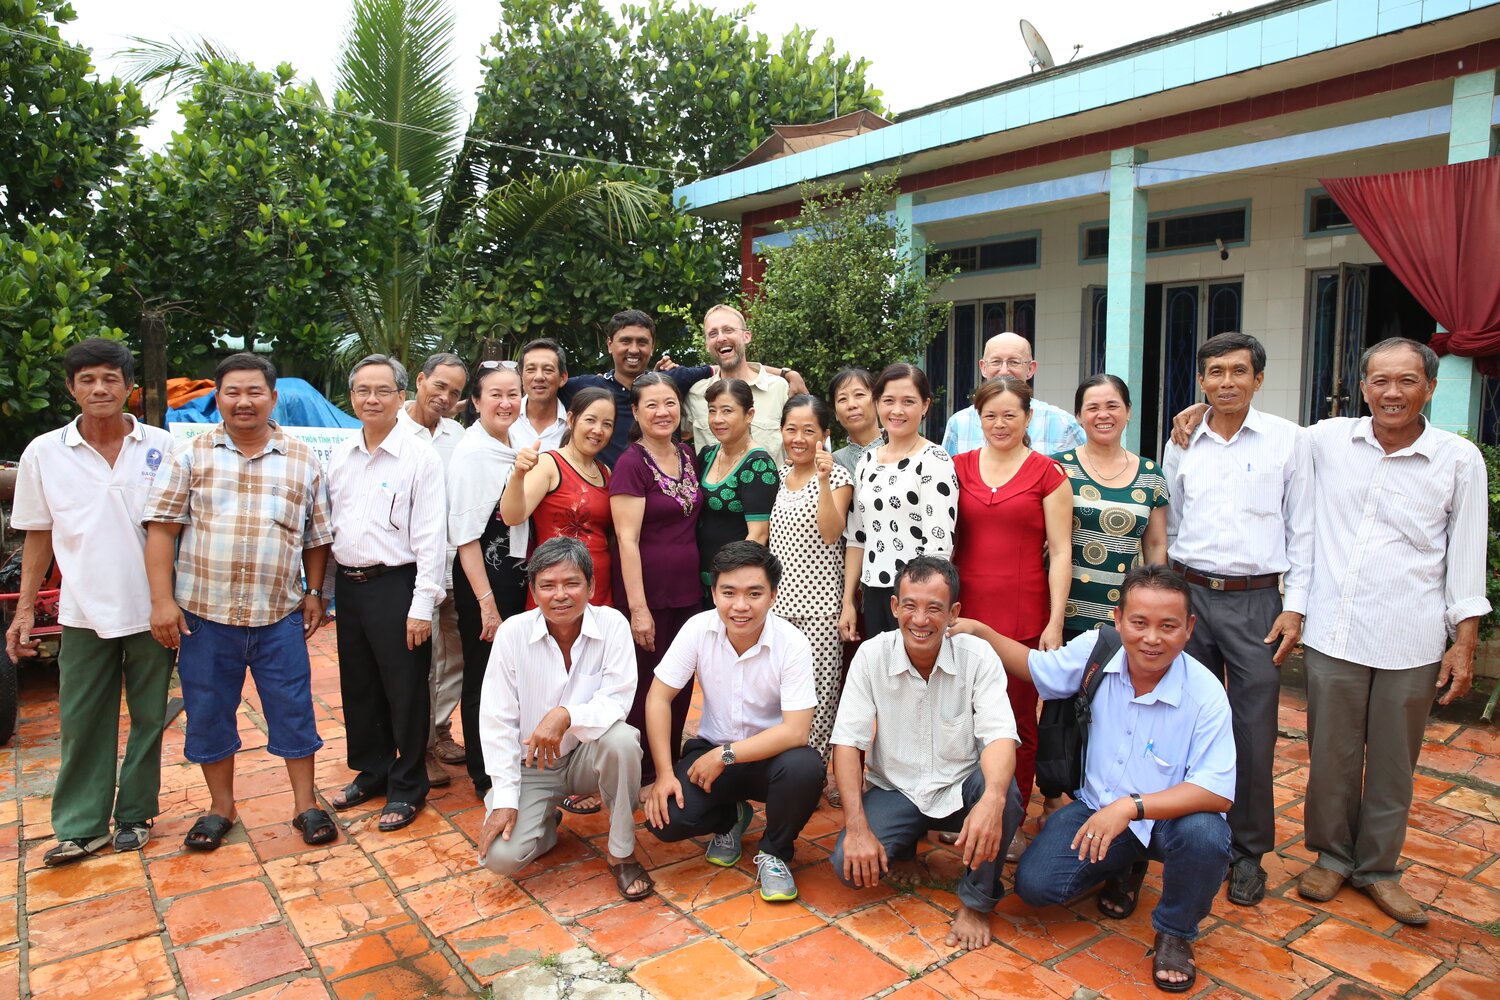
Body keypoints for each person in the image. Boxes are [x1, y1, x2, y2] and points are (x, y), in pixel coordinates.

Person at [961, 565, 1235, 994]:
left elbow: (1216, 791)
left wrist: (1130, 807)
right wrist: (981, 632)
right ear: (1118, 618)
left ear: (1188, 629)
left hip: (1167, 822)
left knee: (1206, 834)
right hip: (1095, 809)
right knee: (1036, 886)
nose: (1151, 638)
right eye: (1139, 623)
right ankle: (1124, 864)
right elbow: (1036, 668)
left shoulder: (1205, 693)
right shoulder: (1098, 652)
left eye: (1168, 626)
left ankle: (1176, 930)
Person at [1296, 338, 1490, 926]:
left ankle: (1377, 868)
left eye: (1407, 381)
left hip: (1412, 636)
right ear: (1363, 387)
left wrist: (1465, 639)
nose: (1392, 393)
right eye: (1380, 381)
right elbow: (1259, 430)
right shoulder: (1328, 440)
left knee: (1392, 763)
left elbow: (1467, 554)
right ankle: (1331, 857)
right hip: (1335, 631)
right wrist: (1201, 411)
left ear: (1429, 387)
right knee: (1330, 756)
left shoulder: (1458, 460)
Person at [142, 352, 336, 851]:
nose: (244, 401)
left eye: (255, 392)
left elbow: (316, 538)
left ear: (273, 398)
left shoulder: (303, 459)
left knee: (294, 709)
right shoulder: (191, 455)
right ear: (218, 399)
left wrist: (314, 593)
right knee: (208, 712)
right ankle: (220, 807)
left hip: (279, 615)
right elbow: (162, 532)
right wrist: (162, 601)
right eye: (233, 392)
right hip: (205, 616)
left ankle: (305, 805)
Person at [8, 339, 176, 865]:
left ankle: (134, 816)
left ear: (130, 387)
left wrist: (172, 601)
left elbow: (177, 530)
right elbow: (36, 535)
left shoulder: (162, 448)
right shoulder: (44, 452)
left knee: (150, 716)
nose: (99, 388)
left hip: (154, 608)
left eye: (110, 378)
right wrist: (24, 610)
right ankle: (82, 825)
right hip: (83, 610)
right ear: (71, 387)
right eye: (87, 380)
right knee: (82, 720)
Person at [1161, 332, 1311, 908]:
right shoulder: (1184, 439)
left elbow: (1305, 528)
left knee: (1254, 731)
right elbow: (1171, 522)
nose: (1227, 382)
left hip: (1257, 605)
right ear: (1200, 380)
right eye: (1215, 372)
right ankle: (1184, 832)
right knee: (1184, 720)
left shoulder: (1288, 441)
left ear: (1259, 378)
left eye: (1239, 372)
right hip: (1191, 596)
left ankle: (1248, 851)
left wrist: (1294, 604)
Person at [829, 557, 1023, 950]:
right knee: (847, 869)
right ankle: (903, 849)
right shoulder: (871, 656)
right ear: (894, 607)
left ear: (953, 613)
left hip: (959, 787)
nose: (920, 619)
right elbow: (847, 744)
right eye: (911, 606)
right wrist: (856, 828)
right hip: (897, 788)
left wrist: (993, 800)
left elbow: (1001, 735)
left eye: (934, 608)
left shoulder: (978, 656)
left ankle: (975, 901)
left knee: (1002, 794)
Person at [643, 541, 822, 902]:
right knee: (664, 821)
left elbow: (796, 731)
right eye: (729, 593)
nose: (740, 606)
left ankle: (775, 852)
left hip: (769, 759)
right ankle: (730, 820)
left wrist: (726, 754)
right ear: (713, 593)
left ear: (773, 594)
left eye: (754, 593)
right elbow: (658, 697)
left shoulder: (793, 643)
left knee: (807, 768)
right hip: (711, 755)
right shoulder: (698, 629)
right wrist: (663, 773)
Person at [477, 538, 652, 900]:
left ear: (590, 586)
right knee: (501, 859)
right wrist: (507, 797)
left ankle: (622, 853)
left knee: (622, 739)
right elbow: (496, 720)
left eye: (572, 583)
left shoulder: (612, 624)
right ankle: (544, 822)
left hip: (584, 756)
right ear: (533, 590)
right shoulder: (513, 633)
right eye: (548, 585)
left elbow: (618, 700)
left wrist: (565, 714)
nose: (560, 595)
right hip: (531, 766)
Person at [950, 375, 1072, 860]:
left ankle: (1012, 818)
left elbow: (1061, 553)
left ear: (1028, 418)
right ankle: (961, 810)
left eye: (1010, 415)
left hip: (1023, 613)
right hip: (964, 609)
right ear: (977, 420)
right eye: (990, 416)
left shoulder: (1048, 473)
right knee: (960, 715)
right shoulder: (956, 467)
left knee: (1018, 720)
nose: (1000, 424)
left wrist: (1055, 621)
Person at [324, 355, 447, 832]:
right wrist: (328, 594)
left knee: (405, 691)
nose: (371, 399)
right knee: (359, 687)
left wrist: (421, 607)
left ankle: (408, 784)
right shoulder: (340, 453)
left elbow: (432, 539)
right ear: (351, 397)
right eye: (362, 391)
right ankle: (372, 772)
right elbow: (333, 528)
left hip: (399, 586)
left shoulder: (420, 458)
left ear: (401, 396)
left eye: (382, 391)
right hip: (352, 590)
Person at [609, 371, 703, 789]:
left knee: (681, 678)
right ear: (635, 411)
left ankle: (669, 758)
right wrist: (638, 609)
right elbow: (626, 541)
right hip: (648, 593)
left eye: (669, 403)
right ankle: (642, 771)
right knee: (647, 680)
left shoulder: (687, 454)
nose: (662, 412)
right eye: (651, 404)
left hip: (688, 590)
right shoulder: (631, 463)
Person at [447, 361, 530, 798]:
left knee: (514, 674)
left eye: (512, 393)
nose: (505, 402)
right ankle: (484, 773)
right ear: (476, 402)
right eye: (494, 394)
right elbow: (464, 538)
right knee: (482, 676)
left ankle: (512, 759)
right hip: (485, 581)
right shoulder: (472, 454)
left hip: (519, 576)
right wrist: (486, 603)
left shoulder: (521, 442)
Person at [768, 394, 853, 803]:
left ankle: (814, 776)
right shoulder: (781, 475)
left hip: (820, 608)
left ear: (824, 435)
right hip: (779, 606)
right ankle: (783, 769)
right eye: (791, 429)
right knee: (784, 694)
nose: (798, 438)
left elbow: (832, 532)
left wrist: (822, 480)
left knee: (819, 698)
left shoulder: (838, 478)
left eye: (808, 431)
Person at [841, 363, 958, 641]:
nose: (897, 410)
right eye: (888, 401)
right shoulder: (867, 462)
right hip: (874, 592)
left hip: (916, 598)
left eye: (909, 402)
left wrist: (920, 604)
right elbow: (857, 537)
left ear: (925, 405)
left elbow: (939, 547)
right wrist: (848, 600)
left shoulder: (934, 460)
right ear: (877, 402)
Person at [397, 352, 469, 788]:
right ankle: (416, 745)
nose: (444, 397)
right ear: (420, 381)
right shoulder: (392, 430)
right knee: (416, 660)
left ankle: (438, 730)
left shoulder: (457, 437)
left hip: (453, 563)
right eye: (439, 386)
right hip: (408, 570)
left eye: (455, 392)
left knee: (453, 655)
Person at [1053, 375, 1169, 640]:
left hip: (1123, 614)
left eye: (1112, 406)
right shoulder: (1057, 468)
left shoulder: (1150, 473)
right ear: (1079, 417)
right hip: (1062, 612)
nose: (1103, 415)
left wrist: (1156, 599)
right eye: (1092, 408)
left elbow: (1155, 545)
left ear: (1128, 411)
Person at [502, 387, 617, 607]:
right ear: (572, 419)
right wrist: (518, 475)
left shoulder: (606, 472)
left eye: (607, 424)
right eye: (590, 420)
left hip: (598, 584)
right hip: (556, 585)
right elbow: (512, 516)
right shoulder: (549, 463)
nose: (598, 430)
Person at [559, 310, 714, 467]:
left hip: (668, 486)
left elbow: (721, 369)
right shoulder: (585, 388)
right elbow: (541, 388)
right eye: (625, 341)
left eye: (642, 342)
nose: (634, 349)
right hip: (608, 487)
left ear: (652, 346)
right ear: (610, 345)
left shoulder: (670, 382)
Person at [941, 332, 1084, 457]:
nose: (1004, 371)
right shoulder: (959, 424)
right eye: (996, 362)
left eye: (1014, 362)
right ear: (983, 368)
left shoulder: (1063, 424)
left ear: (1030, 369)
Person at [682, 304, 795, 463]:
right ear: (707, 344)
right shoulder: (696, 393)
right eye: (713, 333)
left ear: (746, 336)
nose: (721, 338)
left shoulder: (779, 389)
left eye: (728, 330)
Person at [694, 378, 778, 589]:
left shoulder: (758, 464)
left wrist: (733, 584)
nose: (717, 419)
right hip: (699, 577)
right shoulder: (706, 455)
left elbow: (758, 534)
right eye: (712, 411)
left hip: (732, 581)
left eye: (727, 411)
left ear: (749, 415)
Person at [512, 338, 570, 451]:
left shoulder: (572, 426)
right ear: (520, 376)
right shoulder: (505, 418)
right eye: (531, 369)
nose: (539, 377)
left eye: (548, 370)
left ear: (562, 378)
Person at [829, 367, 881, 480]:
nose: (851, 405)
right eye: (842, 399)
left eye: (859, 395)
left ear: (877, 401)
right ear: (836, 413)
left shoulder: (902, 449)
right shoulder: (834, 462)